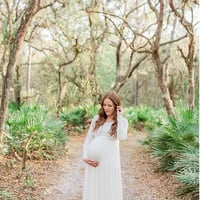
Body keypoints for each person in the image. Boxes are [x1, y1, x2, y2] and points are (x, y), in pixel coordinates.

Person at [82, 91, 128, 200]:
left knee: (108, 190)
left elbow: (122, 137)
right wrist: (85, 156)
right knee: (94, 190)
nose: (106, 108)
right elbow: (88, 139)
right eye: (104, 105)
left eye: (110, 105)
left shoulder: (122, 122)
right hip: (93, 163)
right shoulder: (97, 119)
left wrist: (120, 117)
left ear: (116, 106)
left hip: (109, 163)